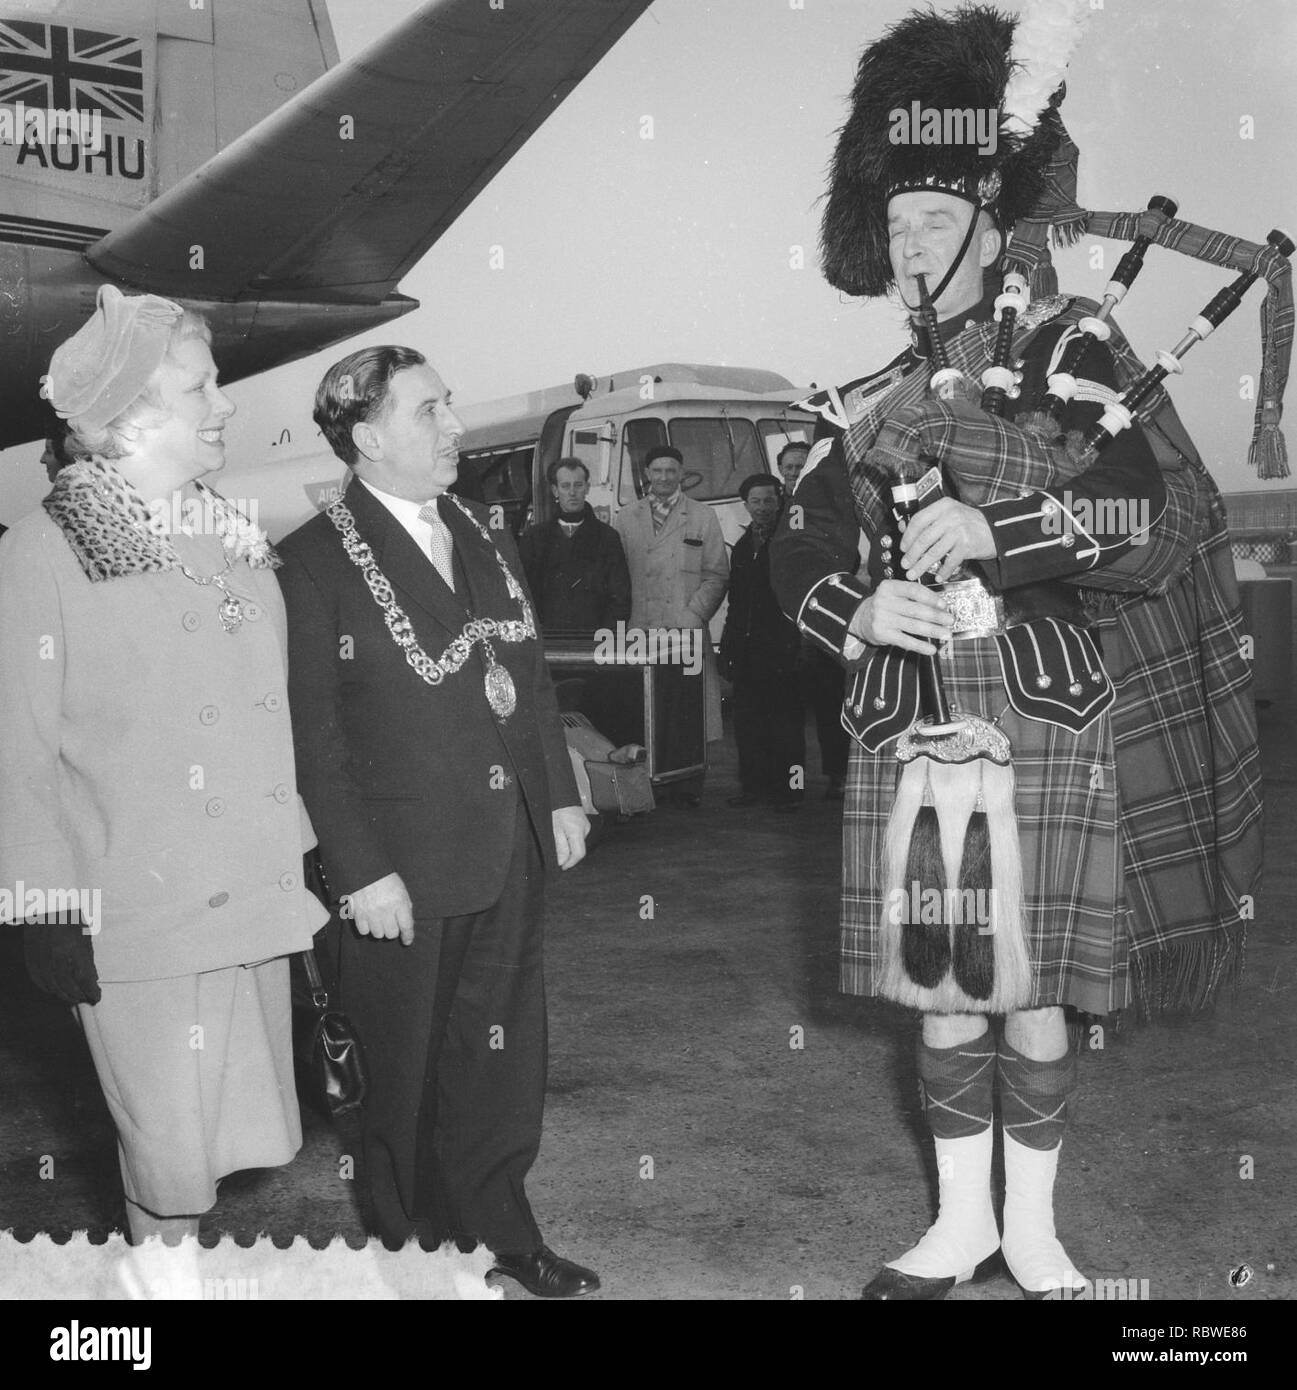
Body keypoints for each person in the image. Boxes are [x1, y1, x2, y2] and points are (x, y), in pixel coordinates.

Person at [770, 3, 1264, 1300]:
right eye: (896, 229)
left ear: (991, 225)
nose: (913, 244)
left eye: (936, 219)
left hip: (1046, 717)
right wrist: (859, 610)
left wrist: (994, 525)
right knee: (941, 991)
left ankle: (1035, 1235)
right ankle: (957, 1226)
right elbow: (789, 554)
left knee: (1031, 992)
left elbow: (1150, 519)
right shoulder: (879, 393)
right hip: (920, 725)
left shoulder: (1069, 356)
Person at [0, 285, 327, 1271]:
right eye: (202, 386)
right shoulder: (46, 551)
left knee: (220, 1151)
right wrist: (42, 907)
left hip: (246, 899)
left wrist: (309, 858)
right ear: (133, 415)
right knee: (167, 1158)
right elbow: (17, 749)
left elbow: (271, 712)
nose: (224, 404)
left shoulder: (224, 529)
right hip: (137, 915)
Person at [276, 345, 599, 1298]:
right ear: (368, 437)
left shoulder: (480, 531)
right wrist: (359, 869)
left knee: (501, 1056)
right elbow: (315, 738)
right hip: (400, 875)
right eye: (429, 412)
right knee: (402, 1074)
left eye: (448, 405)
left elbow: (524, 674)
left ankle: (504, 1233)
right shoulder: (312, 559)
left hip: (506, 848)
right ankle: (410, 1257)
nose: (454, 425)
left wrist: (561, 795)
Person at [613, 445, 728, 807]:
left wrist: (694, 615)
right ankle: (647, 785)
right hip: (641, 629)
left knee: (687, 708)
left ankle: (688, 785)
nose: (664, 477)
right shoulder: (625, 517)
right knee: (645, 708)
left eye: (671, 471)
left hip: (685, 630)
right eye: (657, 470)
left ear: (681, 474)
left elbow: (716, 574)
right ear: (647, 473)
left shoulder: (702, 516)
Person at [720, 474, 804, 811]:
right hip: (747, 651)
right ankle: (753, 788)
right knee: (749, 724)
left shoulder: (789, 540)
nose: (762, 507)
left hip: (783, 649)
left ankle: (793, 791)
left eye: (769, 500)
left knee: (788, 727)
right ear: (746, 505)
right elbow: (737, 602)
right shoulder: (742, 546)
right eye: (755, 501)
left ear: (779, 502)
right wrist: (728, 646)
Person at [517, 457, 630, 632]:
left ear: (587, 488)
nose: (572, 492)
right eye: (565, 486)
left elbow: (620, 596)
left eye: (578, 485)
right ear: (555, 490)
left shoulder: (607, 537)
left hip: (594, 640)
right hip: (549, 639)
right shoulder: (535, 538)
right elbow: (523, 592)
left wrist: (608, 635)